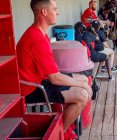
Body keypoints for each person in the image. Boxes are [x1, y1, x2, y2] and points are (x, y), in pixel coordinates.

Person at [16, 0, 92, 139]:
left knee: (84, 78)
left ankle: (65, 123)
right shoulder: (36, 38)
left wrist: (83, 82)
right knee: (82, 95)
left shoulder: (40, 33)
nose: (58, 12)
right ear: (44, 12)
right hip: (32, 89)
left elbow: (52, 73)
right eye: (55, 9)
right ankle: (61, 132)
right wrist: (82, 86)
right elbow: (55, 78)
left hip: (41, 79)